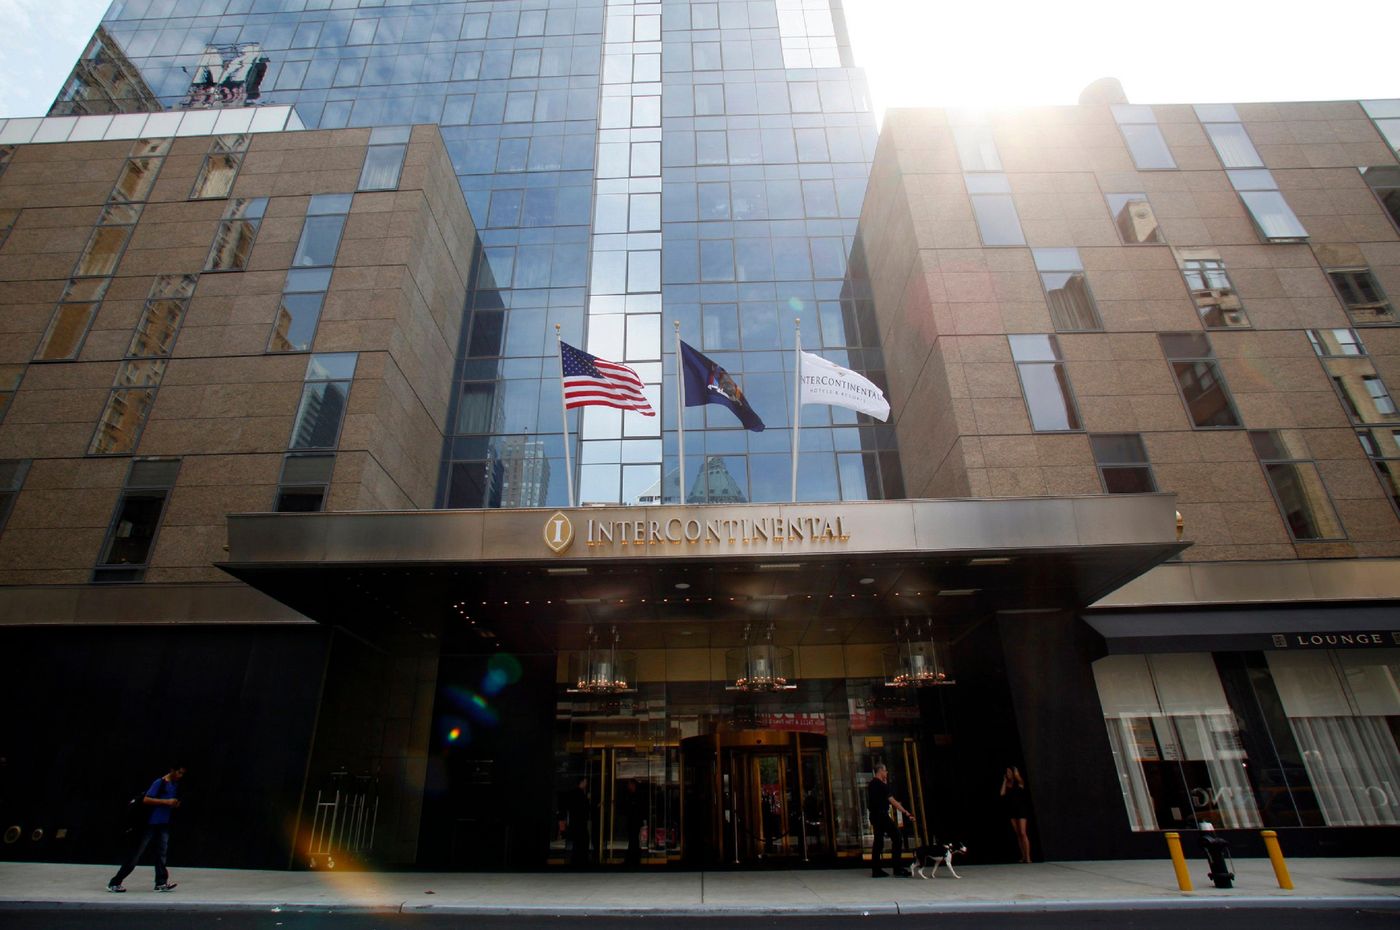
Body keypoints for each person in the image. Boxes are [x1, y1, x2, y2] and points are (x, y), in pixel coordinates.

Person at [108, 765, 186, 893]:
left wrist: (174, 804)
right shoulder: (159, 783)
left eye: (182, 774)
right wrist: (166, 802)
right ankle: (115, 882)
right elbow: (146, 799)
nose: (180, 776)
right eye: (178, 772)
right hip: (149, 824)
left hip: (163, 824)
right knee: (136, 854)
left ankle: (161, 882)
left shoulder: (174, 785)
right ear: (172, 770)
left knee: (161, 853)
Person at [867, 763, 914, 877]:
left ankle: (876, 869)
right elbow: (892, 800)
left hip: (875, 816)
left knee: (878, 842)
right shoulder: (882, 786)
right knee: (897, 837)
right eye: (885, 771)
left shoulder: (872, 784)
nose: (886, 773)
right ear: (880, 771)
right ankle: (897, 868)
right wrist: (905, 812)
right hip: (882, 816)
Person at [1000, 765, 1032, 863]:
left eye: (1010, 772)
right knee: (1018, 834)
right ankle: (1023, 856)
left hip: (1021, 810)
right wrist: (1005, 781)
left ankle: (1028, 857)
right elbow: (1002, 793)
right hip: (1012, 810)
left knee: (1023, 833)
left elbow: (1021, 780)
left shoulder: (1019, 783)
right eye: (1007, 772)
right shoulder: (1007, 784)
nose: (1008, 774)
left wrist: (1016, 773)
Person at [558, 776, 592, 867]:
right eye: (585, 782)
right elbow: (585, 808)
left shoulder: (572, 793)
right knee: (583, 841)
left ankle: (576, 860)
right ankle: (582, 860)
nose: (586, 784)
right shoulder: (581, 795)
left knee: (577, 842)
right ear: (582, 782)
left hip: (574, 821)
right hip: (580, 822)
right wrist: (588, 800)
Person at [621, 778, 646, 867]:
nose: (628, 786)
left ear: (633, 785)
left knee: (633, 840)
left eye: (629, 784)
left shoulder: (636, 795)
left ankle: (632, 859)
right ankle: (633, 859)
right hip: (633, 821)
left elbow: (636, 809)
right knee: (633, 840)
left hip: (634, 821)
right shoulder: (631, 795)